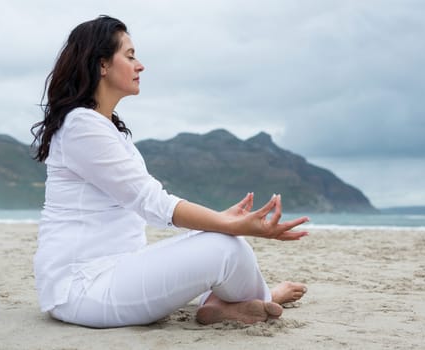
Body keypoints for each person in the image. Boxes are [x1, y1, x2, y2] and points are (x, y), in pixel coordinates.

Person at [31, 15, 309, 328]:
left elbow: (147, 204)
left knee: (225, 241)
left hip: (120, 271)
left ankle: (221, 305)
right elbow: (151, 202)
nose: (140, 65)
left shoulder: (110, 130)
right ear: (102, 65)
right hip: (83, 288)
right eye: (130, 55)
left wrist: (225, 221)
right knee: (227, 247)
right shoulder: (81, 127)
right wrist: (231, 225)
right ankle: (258, 298)